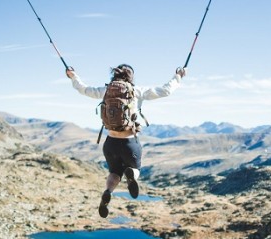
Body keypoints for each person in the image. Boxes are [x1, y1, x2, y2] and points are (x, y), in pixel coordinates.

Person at [66, 64, 186, 218]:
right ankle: (131, 174)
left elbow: (83, 89)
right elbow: (165, 90)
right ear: (131, 77)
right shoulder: (136, 91)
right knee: (135, 168)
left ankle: (108, 191)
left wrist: (73, 76)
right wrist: (178, 76)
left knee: (114, 172)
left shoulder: (105, 91)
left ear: (114, 76)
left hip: (110, 143)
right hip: (129, 142)